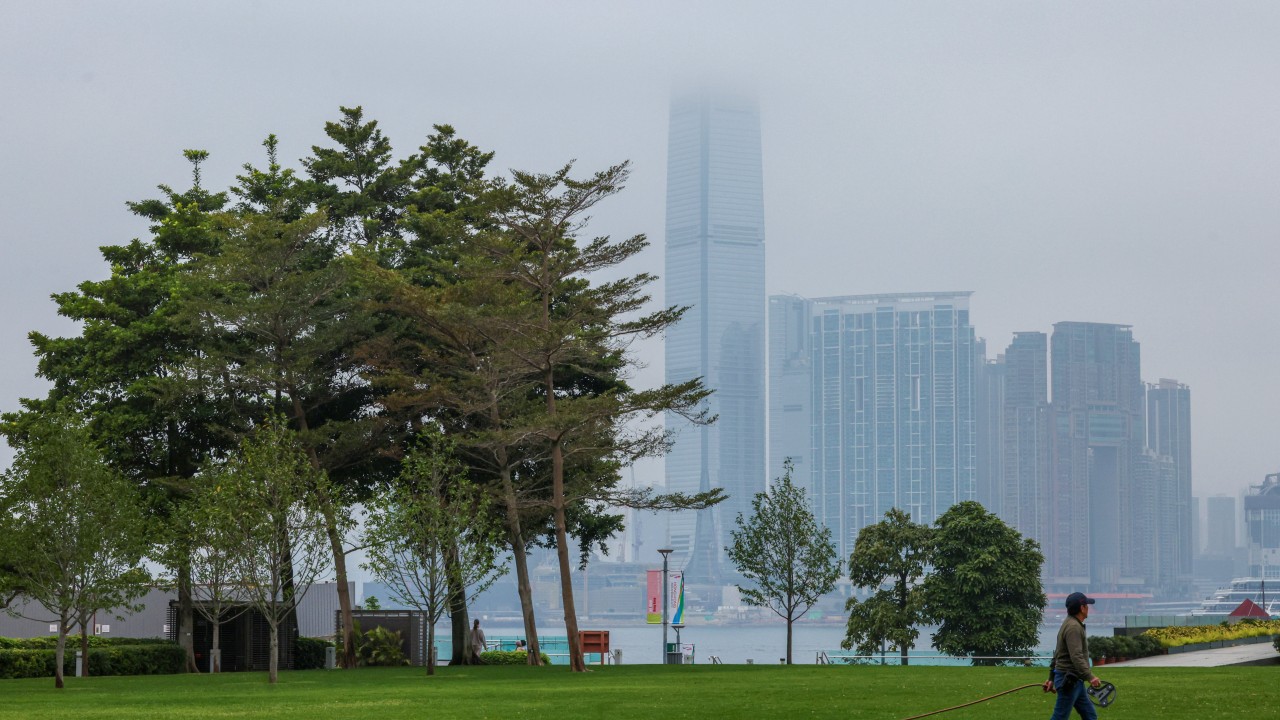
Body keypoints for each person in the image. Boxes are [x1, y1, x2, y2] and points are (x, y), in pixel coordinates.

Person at [1043, 591, 1104, 720]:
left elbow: (1058, 652)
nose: (1089, 608)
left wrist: (1051, 678)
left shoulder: (1069, 623)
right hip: (1069, 680)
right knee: (1060, 716)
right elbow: (1076, 656)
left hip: (1075, 680)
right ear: (1082, 608)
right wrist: (1090, 677)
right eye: (1087, 605)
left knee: (1090, 716)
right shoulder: (1073, 627)